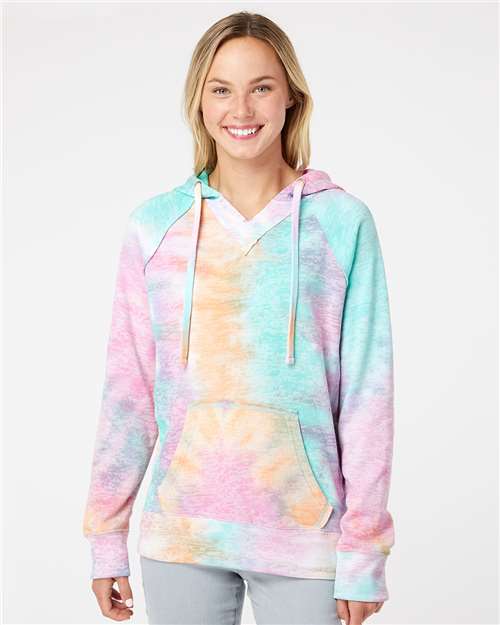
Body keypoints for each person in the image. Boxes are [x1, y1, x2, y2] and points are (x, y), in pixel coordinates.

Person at [82, 10, 395, 625]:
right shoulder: (154, 227)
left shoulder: (341, 223)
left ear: (290, 97)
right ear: (199, 101)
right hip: (182, 536)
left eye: (261, 87)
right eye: (221, 89)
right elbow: (129, 391)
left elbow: (367, 397)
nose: (241, 109)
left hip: (306, 537)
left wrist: (364, 550)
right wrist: (106, 535)